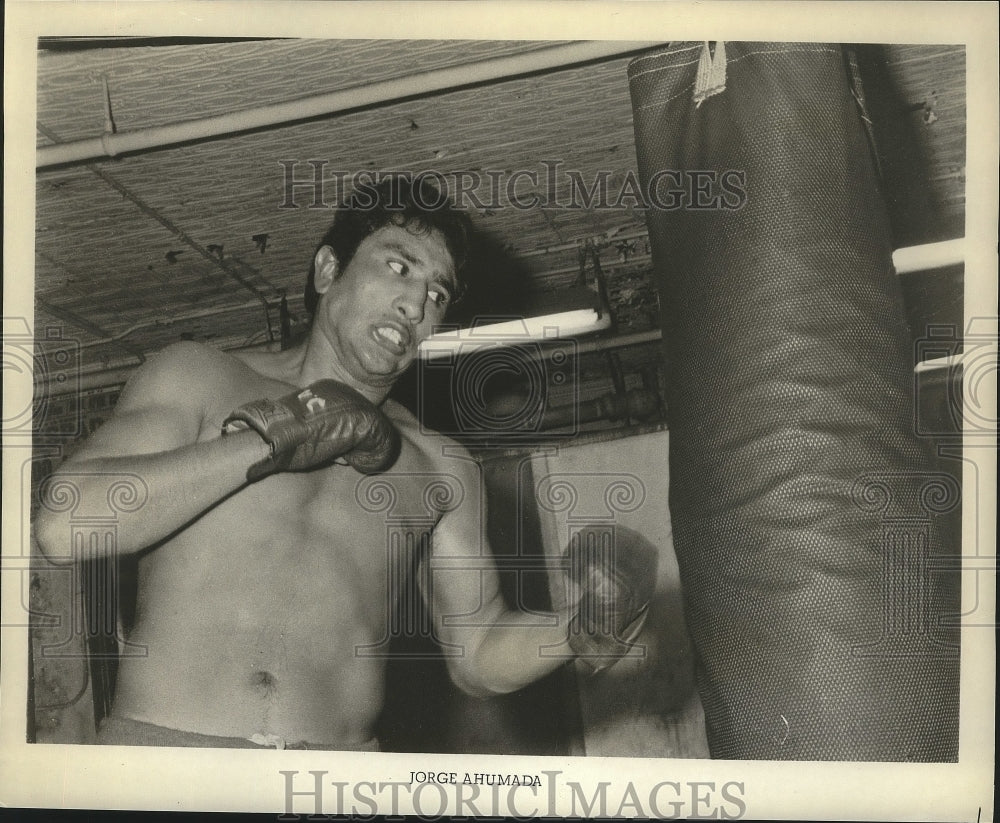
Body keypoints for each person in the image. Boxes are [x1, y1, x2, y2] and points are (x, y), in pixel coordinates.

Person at [34, 177, 648, 751]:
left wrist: (575, 627)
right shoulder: (198, 375)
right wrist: (275, 437)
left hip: (338, 780)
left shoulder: (442, 467)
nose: (415, 303)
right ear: (329, 270)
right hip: (169, 764)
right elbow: (65, 523)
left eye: (436, 293)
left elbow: (478, 653)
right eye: (398, 266)